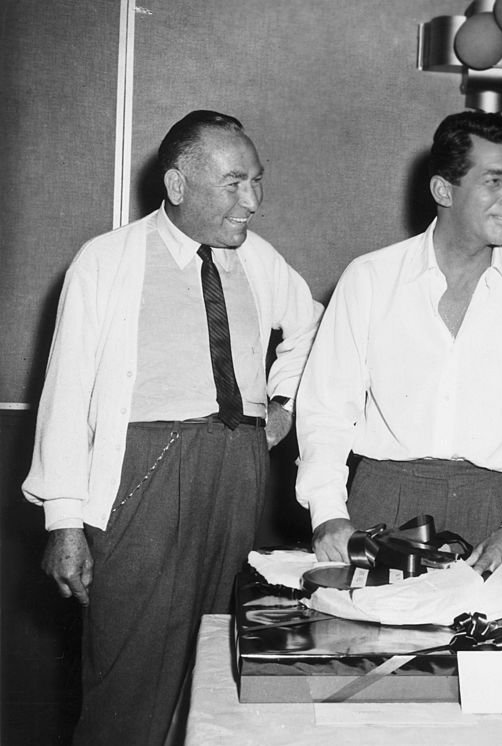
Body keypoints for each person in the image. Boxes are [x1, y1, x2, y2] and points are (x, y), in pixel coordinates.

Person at [22, 110, 323, 746]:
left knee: (214, 656)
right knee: (128, 665)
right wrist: (64, 522)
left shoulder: (259, 260)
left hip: (236, 468)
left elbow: (312, 327)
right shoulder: (106, 261)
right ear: (178, 185)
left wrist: (282, 402)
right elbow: (67, 391)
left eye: (257, 182)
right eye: (234, 183)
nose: (253, 202)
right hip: (144, 472)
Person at [295, 110, 502, 583]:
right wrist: (327, 512)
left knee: (485, 655)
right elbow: (326, 410)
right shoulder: (370, 278)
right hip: (381, 503)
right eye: (494, 181)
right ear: (443, 191)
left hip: (497, 510)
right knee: (373, 652)